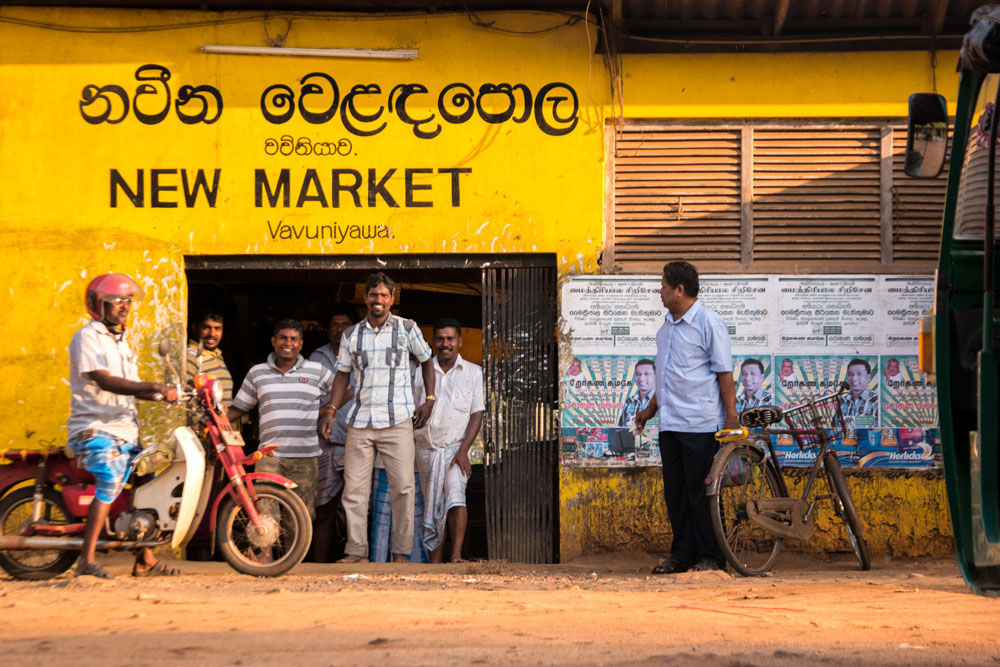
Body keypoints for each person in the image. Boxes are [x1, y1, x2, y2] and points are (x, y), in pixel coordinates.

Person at [67, 272, 179, 579]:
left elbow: (132, 386)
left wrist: (167, 395)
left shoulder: (121, 341)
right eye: (117, 300)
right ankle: (85, 561)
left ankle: (145, 559)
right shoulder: (87, 337)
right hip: (95, 429)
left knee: (148, 482)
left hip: (126, 432)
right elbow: (107, 381)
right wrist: (155, 384)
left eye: (127, 300)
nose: (125, 306)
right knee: (110, 481)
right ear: (97, 305)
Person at [321, 272, 435, 564]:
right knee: (355, 491)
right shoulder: (351, 335)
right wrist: (332, 409)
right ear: (366, 298)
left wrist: (430, 399)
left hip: (397, 421)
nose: (379, 300)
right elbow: (342, 375)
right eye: (374, 295)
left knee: (403, 489)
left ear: (392, 300)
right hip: (360, 422)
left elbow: (426, 361)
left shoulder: (408, 329)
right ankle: (356, 551)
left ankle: (400, 553)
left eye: (384, 296)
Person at [635, 261, 738, 574]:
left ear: (680, 289)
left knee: (701, 492)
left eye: (664, 285)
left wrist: (732, 417)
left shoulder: (709, 322)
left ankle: (711, 556)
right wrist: (650, 410)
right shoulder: (666, 328)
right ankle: (682, 555)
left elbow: (724, 373)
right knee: (676, 493)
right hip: (670, 424)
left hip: (700, 423)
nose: (660, 291)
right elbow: (666, 377)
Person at [228, 319, 334, 520]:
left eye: (294, 339)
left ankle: (295, 553)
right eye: (283, 338)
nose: (288, 343)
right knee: (266, 515)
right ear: (273, 341)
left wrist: (327, 412)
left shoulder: (315, 370)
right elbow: (238, 408)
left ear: (301, 344)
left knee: (299, 520)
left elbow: (344, 389)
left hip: (306, 457)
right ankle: (266, 553)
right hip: (269, 456)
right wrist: (211, 422)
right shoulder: (257, 373)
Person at [413, 318, 485, 563]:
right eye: (440, 339)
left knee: (455, 498)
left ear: (460, 342)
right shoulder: (420, 371)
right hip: (424, 450)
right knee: (433, 506)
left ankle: (455, 556)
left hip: (456, 449)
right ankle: (434, 562)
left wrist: (464, 450)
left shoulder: (474, 373)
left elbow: (477, 413)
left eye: (450, 339)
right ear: (433, 342)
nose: (445, 344)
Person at [308, 303, 358, 562]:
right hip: (325, 443)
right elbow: (307, 402)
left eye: (345, 325)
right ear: (328, 330)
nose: (340, 330)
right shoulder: (316, 358)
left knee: (356, 508)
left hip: (356, 442)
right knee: (324, 508)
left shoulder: (363, 356)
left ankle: (356, 556)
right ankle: (319, 565)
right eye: (335, 325)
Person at [185, 311, 233, 408]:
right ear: (195, 328)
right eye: (206, 328)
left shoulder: (218, 355)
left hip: (223, 422)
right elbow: (186, 396)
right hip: (204, 422)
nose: (212, 333)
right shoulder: (190, 356)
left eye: (217, 329)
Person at [618, 359, 655, 428]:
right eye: (638, 374)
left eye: (647, 374)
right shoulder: (629, 401)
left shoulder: (661, 400)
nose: (641, 378)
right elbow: (621, 430)